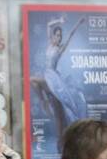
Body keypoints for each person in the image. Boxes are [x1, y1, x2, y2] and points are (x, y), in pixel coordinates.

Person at [30, 16, 87, 149]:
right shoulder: (50, 43)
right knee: (59, 114)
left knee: (33, 79)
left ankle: (44, 102)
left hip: (54, 80)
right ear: (53, 36)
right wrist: (60, 21)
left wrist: (78, 24)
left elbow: (71, 35)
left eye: (60, 36)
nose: (59, 38)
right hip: (47, 75)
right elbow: (49, 24)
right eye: (57, 35)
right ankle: (61, 142)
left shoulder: (60, 49)